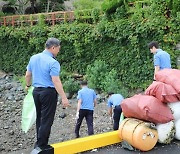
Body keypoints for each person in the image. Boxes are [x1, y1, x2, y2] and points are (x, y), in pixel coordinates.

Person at [25, 38, 70, 150]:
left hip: (36, 92)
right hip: (48, 92)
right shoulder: (53, 62)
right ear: (53, 47)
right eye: (58, 49)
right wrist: (64, 97)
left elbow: (28, 75)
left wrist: (28, 85)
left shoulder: (34, 58)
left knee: (40, 117)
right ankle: (42, 145)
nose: (59, 51)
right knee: (47, 119)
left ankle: (39, 143)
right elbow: (55, 81)